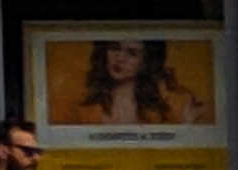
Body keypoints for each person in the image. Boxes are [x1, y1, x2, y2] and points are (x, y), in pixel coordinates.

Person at [77, 38, 208, 125]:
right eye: (115, 48)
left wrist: (187, 123)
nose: (119, 58)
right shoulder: (86, 108)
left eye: (132, 53)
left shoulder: (160, 112)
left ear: (146, 62)